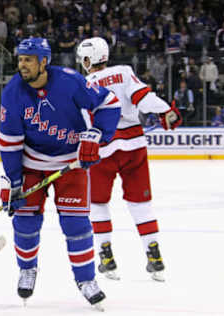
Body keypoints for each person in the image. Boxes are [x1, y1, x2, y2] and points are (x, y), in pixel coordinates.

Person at [0, 37, 121, 310]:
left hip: (71, 164)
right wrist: (13, 181)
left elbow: (109, 102)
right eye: (20, 59)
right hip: (32, 164)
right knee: (26, 223)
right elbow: (9, 143)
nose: (22, 65)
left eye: (28, 59)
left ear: (44, 61)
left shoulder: (71, 80)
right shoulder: (12, 92)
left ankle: (86, 280)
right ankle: (27, 269)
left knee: (77, 225)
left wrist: (95, 135)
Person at [76, 37, 182, 282]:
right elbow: (144, 99)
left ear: (89, 59)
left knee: (98, 203)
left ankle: (106, 257)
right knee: (140, 203)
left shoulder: (83, 84)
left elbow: (79, 121)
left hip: (101, 150)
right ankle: (154, 255)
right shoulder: (124, 72)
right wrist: (166, 111)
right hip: (134, 147)